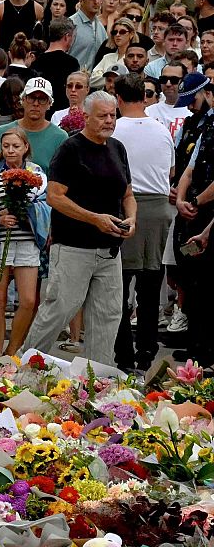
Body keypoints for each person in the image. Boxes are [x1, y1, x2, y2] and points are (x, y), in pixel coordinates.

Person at [22, 91, 135, 361]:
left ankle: (97, 380)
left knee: (108, 315)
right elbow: (54, 196)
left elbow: (128, 195)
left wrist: (132, 218)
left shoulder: (118, 148)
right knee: (59, 310)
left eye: (112, 115)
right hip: (74, 247)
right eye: (102, 116)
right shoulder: (70, 148)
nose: (109, 120)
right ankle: (24, 366)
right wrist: (94, 218)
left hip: (109, 251)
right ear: (85, 117)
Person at [111, 73, 175, 371]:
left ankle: (124, 352)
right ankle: (146, 349)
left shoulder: (115, 130)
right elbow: (171, 169)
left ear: (118, 99)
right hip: (158, 207)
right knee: (150, 285)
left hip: (127, 205)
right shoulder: (161, 129)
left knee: (120, 285)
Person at [0, 127, 48, 355]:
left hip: (27, 241)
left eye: (15, 146)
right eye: (6, 146)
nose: (10, 151)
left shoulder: (37, 173)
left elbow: (46, 204)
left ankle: (13, 350)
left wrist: (27, 212)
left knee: (28, 300)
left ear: (25, 147)